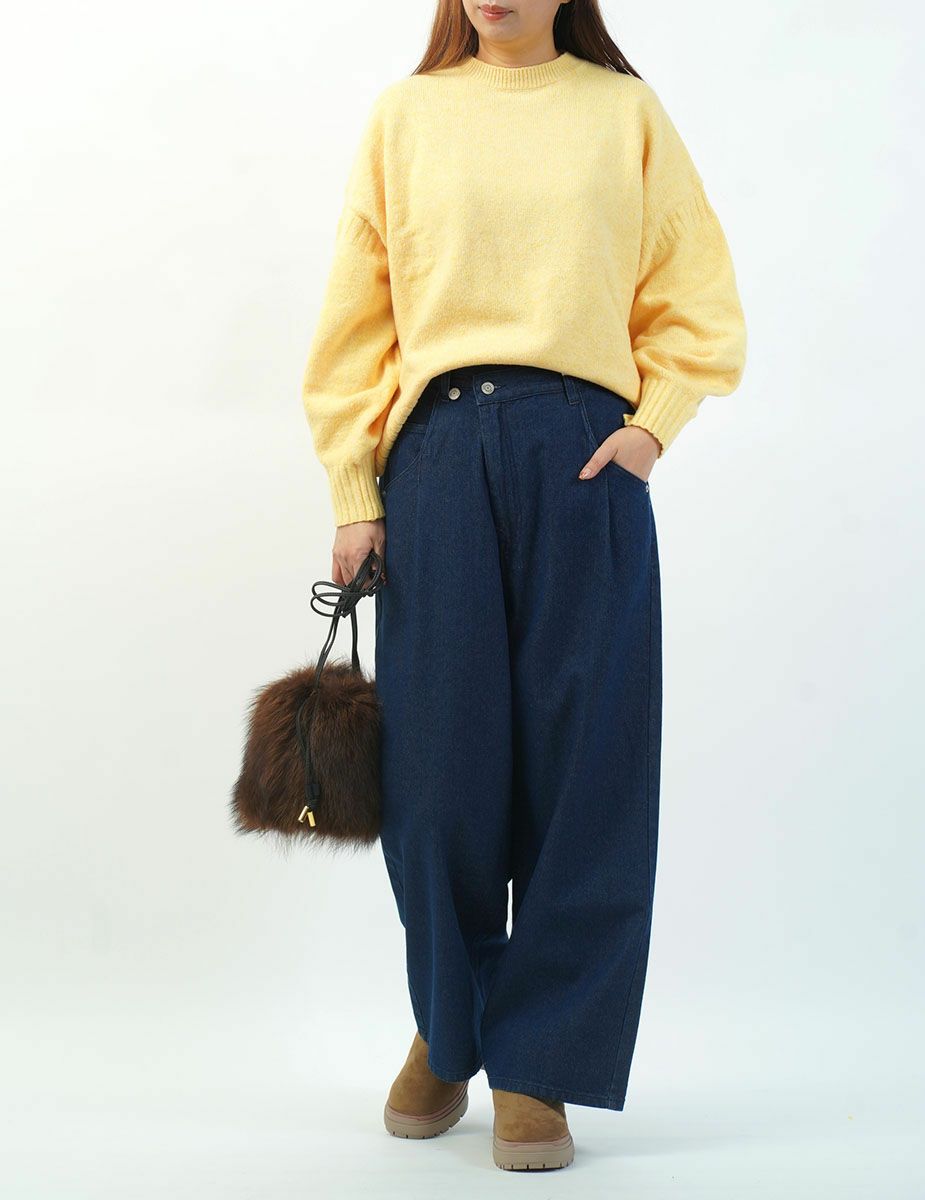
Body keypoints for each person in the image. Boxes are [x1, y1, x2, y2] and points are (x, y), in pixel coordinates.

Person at [300, 0, 746, 1173]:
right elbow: (356, 314)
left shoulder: (623, 114)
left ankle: (537, 1062)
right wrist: (355, 487)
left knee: (584, 767)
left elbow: (693, 287)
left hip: (581, 451)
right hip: (437, 454)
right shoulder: (406, 117)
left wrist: (652, 426)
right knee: (434, 776)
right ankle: (449, 1030)